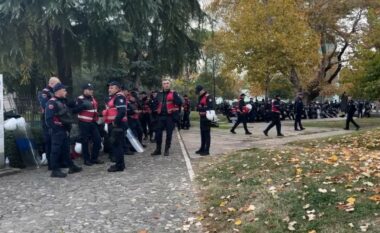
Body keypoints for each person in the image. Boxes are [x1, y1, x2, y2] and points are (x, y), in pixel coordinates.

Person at [45, 83, 82, 178]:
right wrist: (56, 130)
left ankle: (71, 166)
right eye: (64, 90)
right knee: (55, 150)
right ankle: (55, 170)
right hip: (57, 130)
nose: (66, 92)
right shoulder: (52, 102)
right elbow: (49, 119)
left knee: (66, 150)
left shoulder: (62, 101)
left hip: (64, 129)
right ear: (58, 91)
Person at [72, 83, 103, 166]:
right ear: (84, 90)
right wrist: (82, 106)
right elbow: (74, 110)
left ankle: (94, 158)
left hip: (93, 123)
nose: (91, 91)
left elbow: (94, 110)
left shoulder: (93, 99)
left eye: (92, 89)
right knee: (84, 141)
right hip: (83, 123)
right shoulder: (80, 99)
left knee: (98, 140)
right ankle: (86, 160)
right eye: (89, 89)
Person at [151, 79, 182, 156]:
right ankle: (158, 149)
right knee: (158, 134)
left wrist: (174, 99)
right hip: (160, 116)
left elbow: (179, 102)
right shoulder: (159, 94)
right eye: (164, 83)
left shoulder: (174, 93)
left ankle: (166, 149)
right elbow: (154, 104)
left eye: (167, 83)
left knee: (169, 134)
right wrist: (155, 112)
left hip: (170, 117)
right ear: (162, 85)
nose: (166, 85)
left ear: (170, 84)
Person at [103, 81, 128, 172]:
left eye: (112, 88)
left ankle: (119, 166)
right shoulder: (114, 97)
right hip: (115, 124)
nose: (109, 89)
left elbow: (121, 111)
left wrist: (115, 122)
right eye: (109, 88)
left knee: (117, 145)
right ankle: (120, 164)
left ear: (117, 89)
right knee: (117, 144)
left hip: (117, 124)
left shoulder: (119, 97)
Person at [37, 77, 60, 170]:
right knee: (49, 141)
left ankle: (56, 162)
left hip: (54, 119)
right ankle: (51, 164)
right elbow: (45, 105)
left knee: (54, 141)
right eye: (57, 84)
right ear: (52, 83)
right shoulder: (45, 93)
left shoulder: (53, 92)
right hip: (47, 120)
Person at [195, 85, 214, 156]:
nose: (198, 93)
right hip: (202, 117)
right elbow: (198, 107)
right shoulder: (200, 97)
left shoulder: (209, 97)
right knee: (202, 134)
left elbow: (211, 107)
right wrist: (201, 107)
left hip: (208, 117)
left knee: (207, 134)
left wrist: (202, 108)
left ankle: (207, 150)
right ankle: (202, 148)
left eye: (199, 92)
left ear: (202, 90)